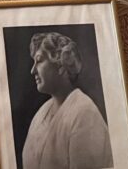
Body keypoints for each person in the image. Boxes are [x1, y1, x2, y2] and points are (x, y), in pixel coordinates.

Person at [22, 32, 113, 169]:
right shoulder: (40, 115)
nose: (33, 70)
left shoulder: (84, 114)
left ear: (61, 65)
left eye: (39, 61)